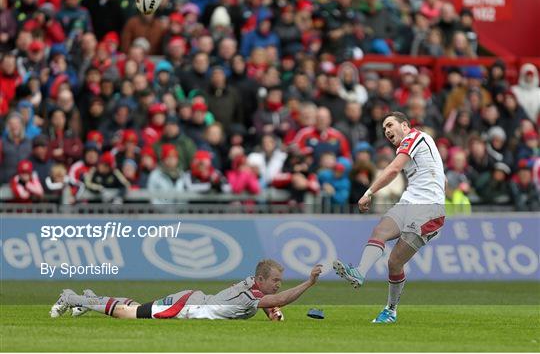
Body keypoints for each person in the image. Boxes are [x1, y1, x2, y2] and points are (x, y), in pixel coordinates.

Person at [333, 111, 445, 323]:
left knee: (394, 262)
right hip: (409, 203)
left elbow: (393, 169)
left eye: (390, 125)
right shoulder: (421, 145)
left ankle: (391, 310)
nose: (386, 130)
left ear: (405, 126)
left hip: (427, 210)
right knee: (380, 231)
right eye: (384, 128)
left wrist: (368, 192)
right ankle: (359, 272)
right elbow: (441, 177)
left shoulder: (414, 137)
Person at [51, 260, 322, 321]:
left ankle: (89, 298)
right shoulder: (253, 293)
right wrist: (309, 283)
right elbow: (277, 299)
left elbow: (267, 299)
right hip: (186, 306)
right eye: (274, 280)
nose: (278, 285)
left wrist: (270, 310)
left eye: (279, 281)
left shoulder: (251, 286)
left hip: (192, 301)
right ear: (260, 279)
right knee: (128, 314)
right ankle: (70, 296)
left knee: (136, 307)